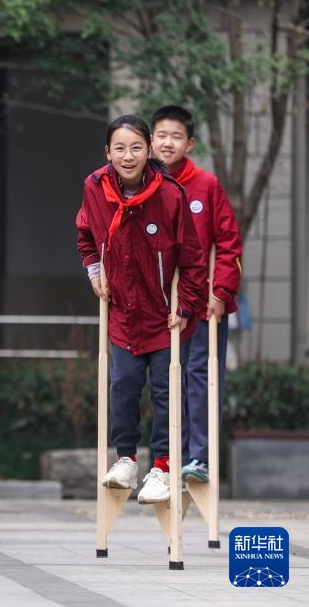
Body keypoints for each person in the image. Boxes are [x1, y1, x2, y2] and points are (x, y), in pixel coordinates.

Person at [76, 115, 206, 504]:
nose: (128, 156)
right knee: (123, 386)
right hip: (123, 313)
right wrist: (94, 271)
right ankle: (126, 459)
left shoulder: (169, 194)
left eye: (136, 147)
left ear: (148, 150)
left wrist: (186, 305)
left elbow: (193, 258)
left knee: (166, 391)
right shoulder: (94, 187)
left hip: (166, 315)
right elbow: (86, 234)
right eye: (119, 148)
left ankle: (163, 466)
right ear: (107, 152)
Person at [150, 105, 242, 484]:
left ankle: (199, 457)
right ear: (151, 141)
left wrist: (220, 292)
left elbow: (229, 243)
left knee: (201, 375)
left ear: (189, 144)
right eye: (161, 136)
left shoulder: (206, 185)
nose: (167, 143)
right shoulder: (143, 185)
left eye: (176, 137)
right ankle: (167, 457)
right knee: (166, 379)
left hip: (203, 305)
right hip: (162, 307)